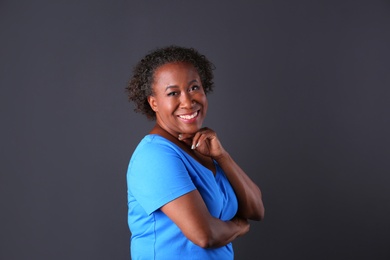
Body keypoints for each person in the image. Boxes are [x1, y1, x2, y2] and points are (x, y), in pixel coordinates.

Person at [125, 45, 265, 259]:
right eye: (173, 93)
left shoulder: (204, 150)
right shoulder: (154, 156)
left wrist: (222, 156)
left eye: (193, 88)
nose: (188, 101)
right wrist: (238, 227)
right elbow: (204, 235)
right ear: (154, 103)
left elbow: (256, 210)